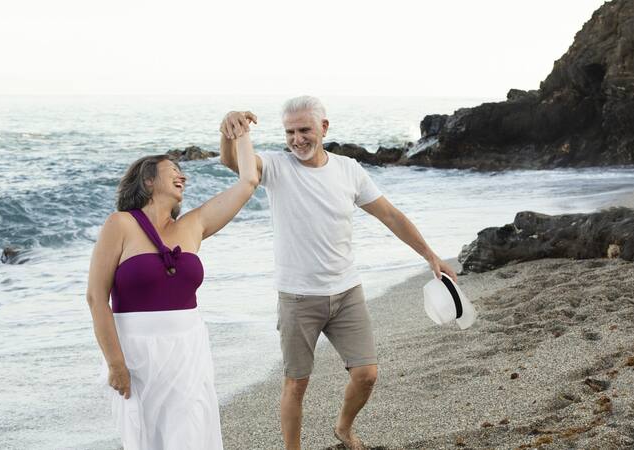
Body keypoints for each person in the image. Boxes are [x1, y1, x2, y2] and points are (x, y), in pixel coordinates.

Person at [220, 96, 457, 450]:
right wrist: (230, 130)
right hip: (298, 297)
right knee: (296, 384)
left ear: (324, 127)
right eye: (289, 132)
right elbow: (235, 163)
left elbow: (390, 215)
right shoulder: (275, 166)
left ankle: (344, 428)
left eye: (304, 130)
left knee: (367, 375)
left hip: (347, 292)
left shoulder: (349, 170)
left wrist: (430, 256)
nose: (297, 139)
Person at [86, 119, 258, 449]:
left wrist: (239, 133)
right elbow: (96, 298)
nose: (183, 176)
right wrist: (115, 363)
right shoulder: (120, 224)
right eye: (173, 170)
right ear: (148, 180)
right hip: (136, 352)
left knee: (190, 435)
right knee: (146, 440)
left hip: (188, 348)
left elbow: (248, 181)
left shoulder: (194, 225)